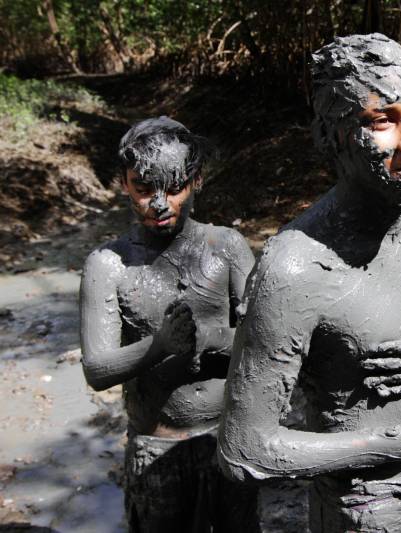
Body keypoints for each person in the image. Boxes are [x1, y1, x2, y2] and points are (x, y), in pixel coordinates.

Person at [217, 33, 401, 532]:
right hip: (365, 511)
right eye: (382, 121)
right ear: (332, 138)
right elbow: (243, 449)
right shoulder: (294, 268)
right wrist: (392, 444)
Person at [79, 116, 258, 532]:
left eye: (174, 189)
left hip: (227, 441)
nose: (159, 204)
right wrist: (158, 346)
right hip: (155, 448)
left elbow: (267, 341)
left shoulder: (226, 246)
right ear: (124, 183)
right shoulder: (108, 265)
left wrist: (213, 337)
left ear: (196, 181)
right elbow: (96, 370)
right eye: (143, 189)